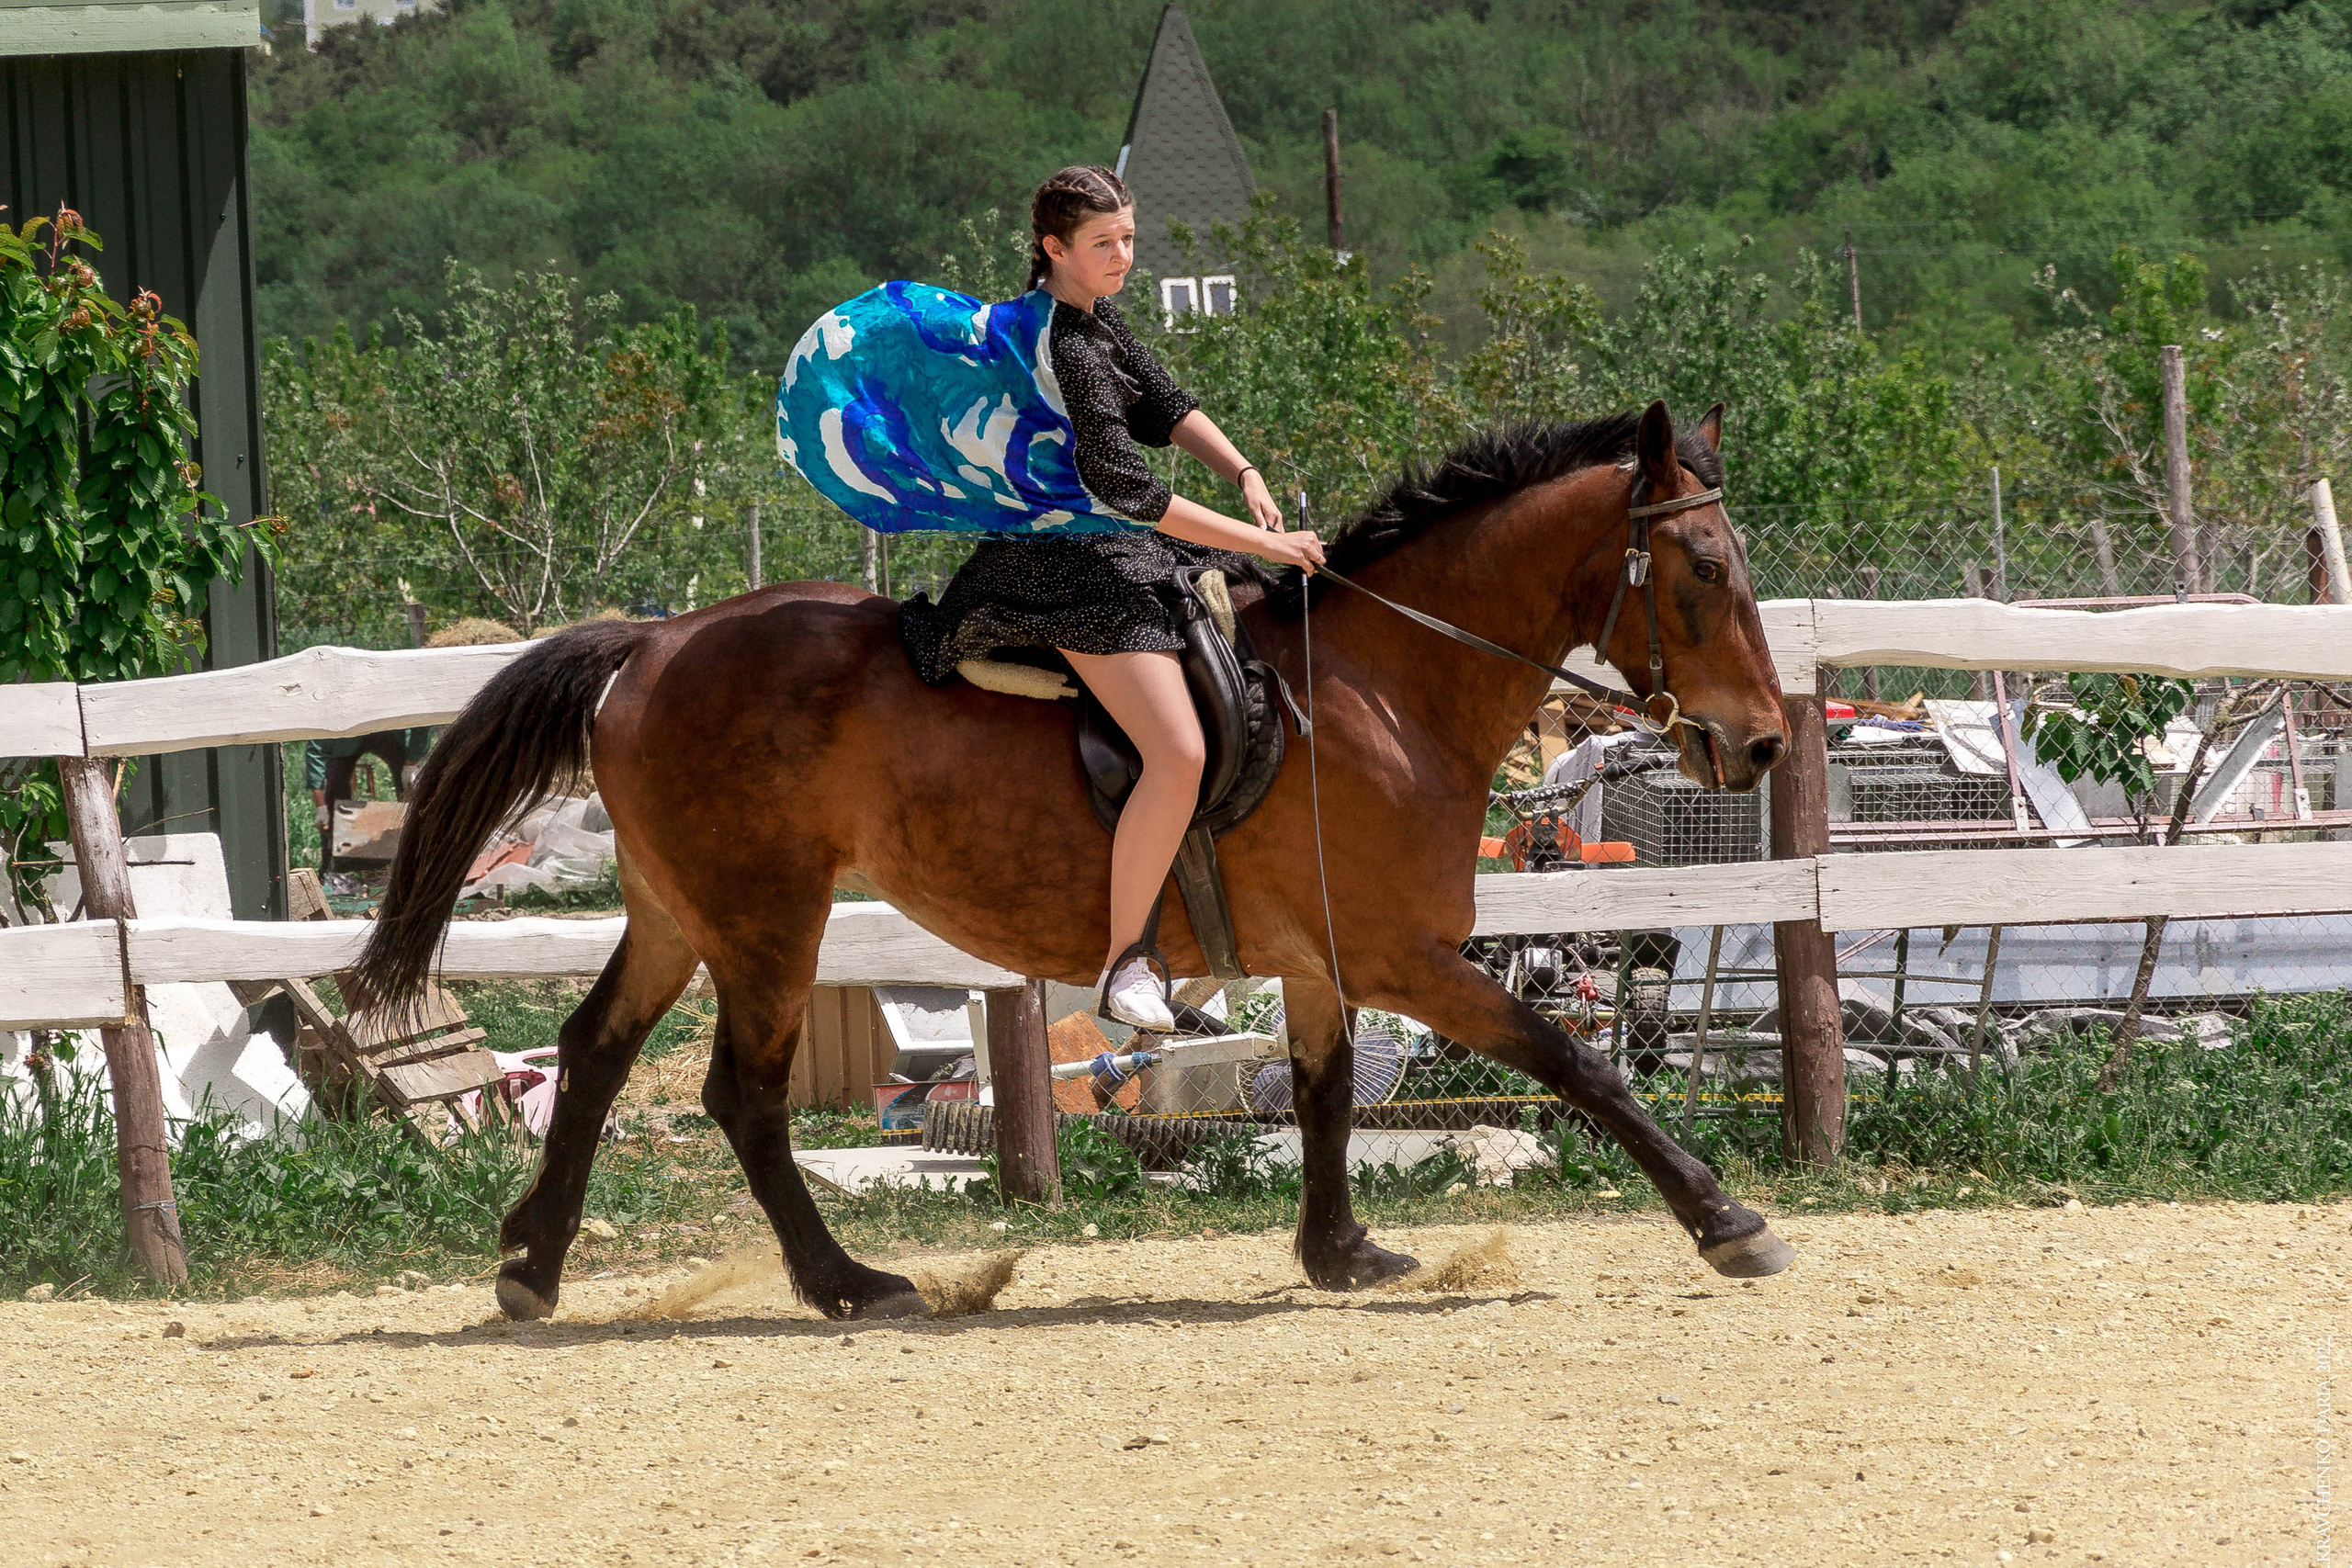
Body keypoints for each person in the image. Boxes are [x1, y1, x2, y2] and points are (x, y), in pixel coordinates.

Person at [871, 165, 1325, 1029]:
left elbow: (1167, 402)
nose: (1122, 256)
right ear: (1054, 249)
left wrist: (1245, 471)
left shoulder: (1094, 316)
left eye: (1128, 238)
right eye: (1103, 244)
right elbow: (1128, 488)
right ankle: (1126, 963)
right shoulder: (1065, 348)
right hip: (1063, 564)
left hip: (1113, 544)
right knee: (1180, 752)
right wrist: (1264, 538)